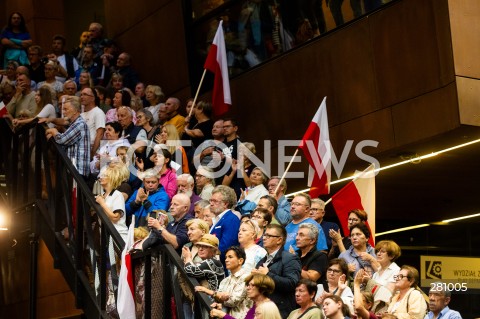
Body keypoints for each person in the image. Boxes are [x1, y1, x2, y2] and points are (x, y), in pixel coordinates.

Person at [252, 224, 301, 318]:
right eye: (264, 235)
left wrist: (268, 274)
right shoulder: (262, 261)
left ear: (279, 240)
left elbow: (291, 283)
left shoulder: (290, 258)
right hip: (261, 310)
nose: (264, 238)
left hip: (279, 312)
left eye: (269, 236)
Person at [196, 246, 252, 319]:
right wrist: (219, 303)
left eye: (230, 257)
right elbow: (219, 299)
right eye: (226, 257)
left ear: (240, 261)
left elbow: (233, 301)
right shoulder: (225, 280)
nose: (226, 260)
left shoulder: (246, 277)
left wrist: (209, 292)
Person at [45, 96, 90, 178]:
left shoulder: (79, 124)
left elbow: (62, 140)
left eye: (66, 109)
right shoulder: (74, 123)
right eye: (63, 109)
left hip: (78, 171)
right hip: (73, 170)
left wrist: (53, 131)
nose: (63, 112)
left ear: (75, 111)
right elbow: (63, 123)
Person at [210, 273, 276, 319]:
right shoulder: (257, 305)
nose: (248, 288)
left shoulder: (266, 307)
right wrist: (221, 311)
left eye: (252, 285)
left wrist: (222, 315)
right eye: (248, 285)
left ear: (262, 288)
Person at [209, 185, 241, 269]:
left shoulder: (231, 219)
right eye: (211, 200)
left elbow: (226, 246)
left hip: (222, 267)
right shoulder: (218, 219)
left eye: (215, 201)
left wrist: (208, 254)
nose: (211, 204)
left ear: (225, 204)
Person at [94, 165, 128, 241]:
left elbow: (115, 217)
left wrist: (102, 203)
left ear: (111, 178)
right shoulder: (103, 196)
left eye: (104, 175)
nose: (100, 177)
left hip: (118, 236)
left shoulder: (117, 194)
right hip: (106, 236)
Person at [80, 87, 106, 156]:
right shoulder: (81, 115)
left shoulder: (98, 112)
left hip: (92, 151)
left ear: (93, 98)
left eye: (85, 94)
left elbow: (100, 134)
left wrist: (92, 153)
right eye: (81, 95)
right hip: (82, 149)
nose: (82, 97)